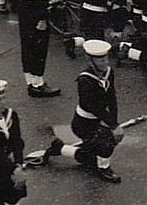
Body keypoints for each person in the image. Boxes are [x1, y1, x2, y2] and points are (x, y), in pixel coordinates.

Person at [42, 40, 124, 183]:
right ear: (90, 61)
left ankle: (60, 149)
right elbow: (93, 106)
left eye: (106, 59)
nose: (105, 63)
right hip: (83, 123)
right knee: (107, 141)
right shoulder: (85, 80)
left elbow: (112, 97)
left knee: (90, 158)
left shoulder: (108, 72)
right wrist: (112, 126)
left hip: (98, 120)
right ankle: (104, 168)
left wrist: (115, 122)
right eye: (100, 60)